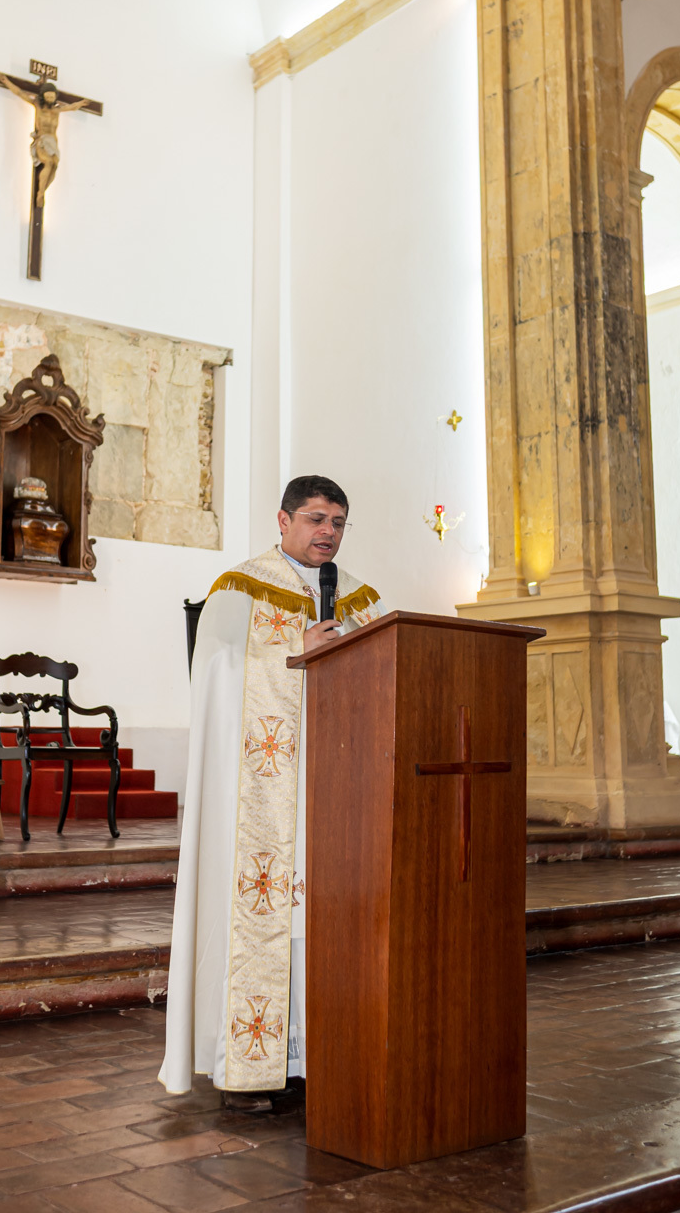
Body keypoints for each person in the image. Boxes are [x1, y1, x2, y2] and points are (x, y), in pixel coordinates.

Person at [159, 475, 383, 1110]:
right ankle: (253, 1068)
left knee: (323, 922)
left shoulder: (358, 595)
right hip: (262, 794)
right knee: (269, 926)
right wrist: (295, 651)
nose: (328, 533)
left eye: (338, 523)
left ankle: (323, 1054)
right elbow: (217, 675)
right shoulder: (240, 588)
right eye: (315, 519)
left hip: (335, 791)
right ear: (282, 520)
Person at [0, 75, 89, 206]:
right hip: (42, 140)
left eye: (52, 97)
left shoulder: (57, 110)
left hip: (53, 142)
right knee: (49, 162)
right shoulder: (38, 107)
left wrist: (80, 103)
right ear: (43, 96)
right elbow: (20, 93)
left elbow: (71, 107)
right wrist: (6, 82)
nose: (50, 99)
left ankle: (43, 191)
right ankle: (40, 193)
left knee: (55, 165)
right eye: (48, 96)